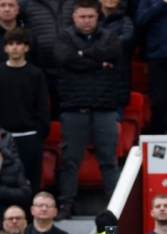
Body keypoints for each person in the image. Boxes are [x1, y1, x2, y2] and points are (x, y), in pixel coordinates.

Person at [55, 0, 121, 218]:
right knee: (70, 162)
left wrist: (82, 55)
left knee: (109, 161)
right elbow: (65, 57)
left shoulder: (109, 36)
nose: (86, 21)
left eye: (90, 17)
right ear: (74, 18)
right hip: (75, 109)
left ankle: (117, 205)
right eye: (82, 17)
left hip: (104, 108)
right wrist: (98, 62)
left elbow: (115, 52)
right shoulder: (65, 37)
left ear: (98, 16)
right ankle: (66, 205)